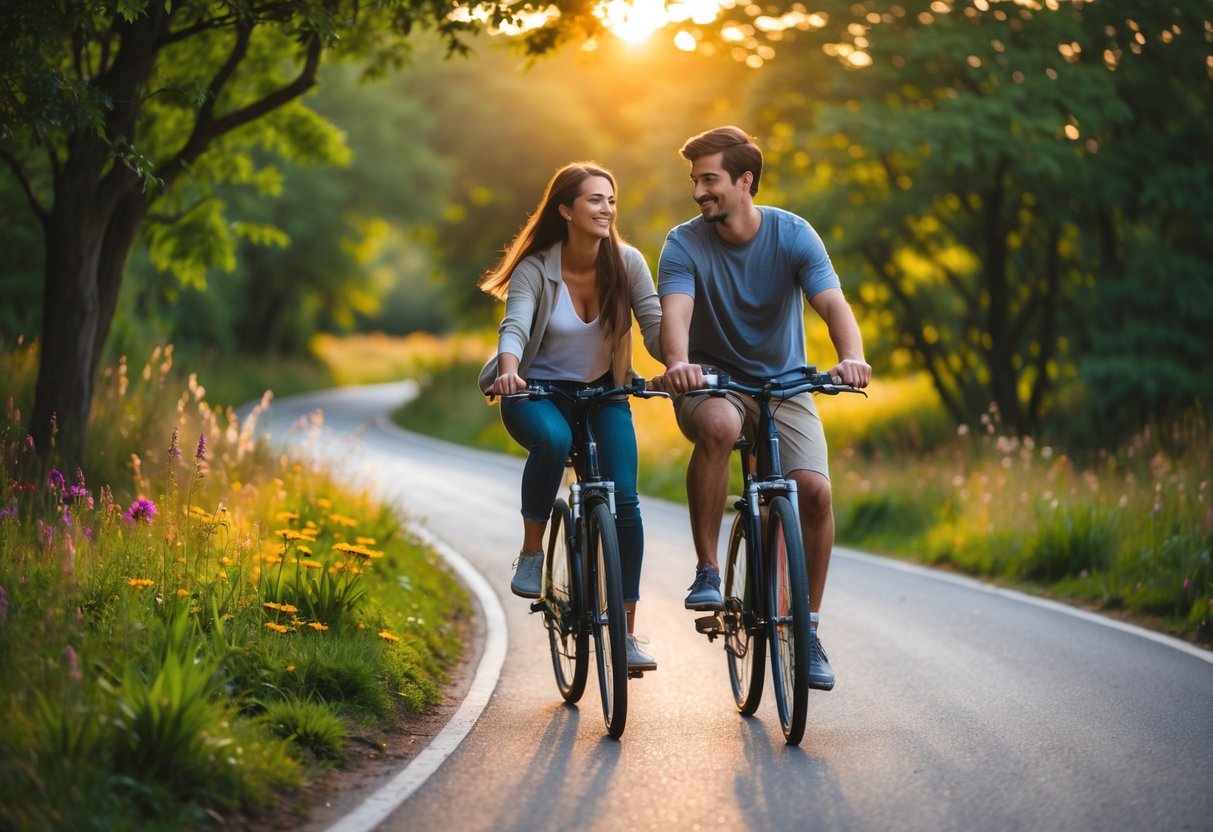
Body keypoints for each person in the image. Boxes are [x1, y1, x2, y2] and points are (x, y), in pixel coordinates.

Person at [655, 126, 871, 691]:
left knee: (814, 491)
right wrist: (678, 362)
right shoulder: (683, 242)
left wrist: (852, 357)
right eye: (695, 180)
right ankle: (707, 568)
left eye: (709, 179)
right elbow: (675, 312)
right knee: (722, 425)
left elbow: (832, 303)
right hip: (711, 379)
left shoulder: (794, 234)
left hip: (784, 383)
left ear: (744, 181)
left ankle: (808, 628)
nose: (698, 191)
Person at [478, 162, 664, 672]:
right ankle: (533, 551)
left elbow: (654, 327)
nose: (607, 209)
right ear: (566, 210)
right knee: (554, 441)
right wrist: (510, 372)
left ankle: (624, 636)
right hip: (534, 390)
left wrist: (681, 364)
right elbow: (514, 326)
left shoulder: (627, 263)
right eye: (595, 200)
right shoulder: (537, 268)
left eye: (611, 199)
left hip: (604, 393)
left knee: (624, 498)